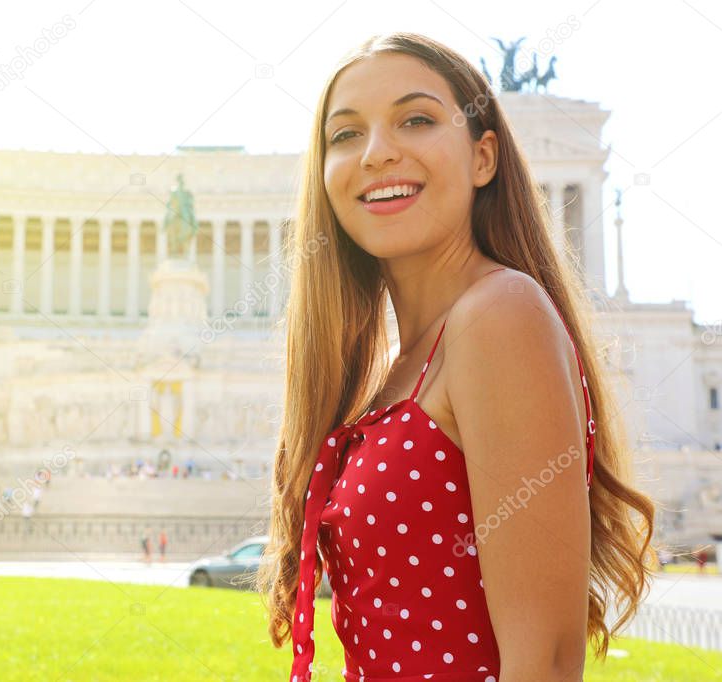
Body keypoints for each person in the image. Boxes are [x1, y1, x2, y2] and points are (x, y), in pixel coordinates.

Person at [255, 32, 657, 682]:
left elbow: (545, 665)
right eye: (345, 134)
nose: (377, 151)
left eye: (414, 119)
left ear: (482, 156)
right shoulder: (390, 365)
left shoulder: (497, 317)